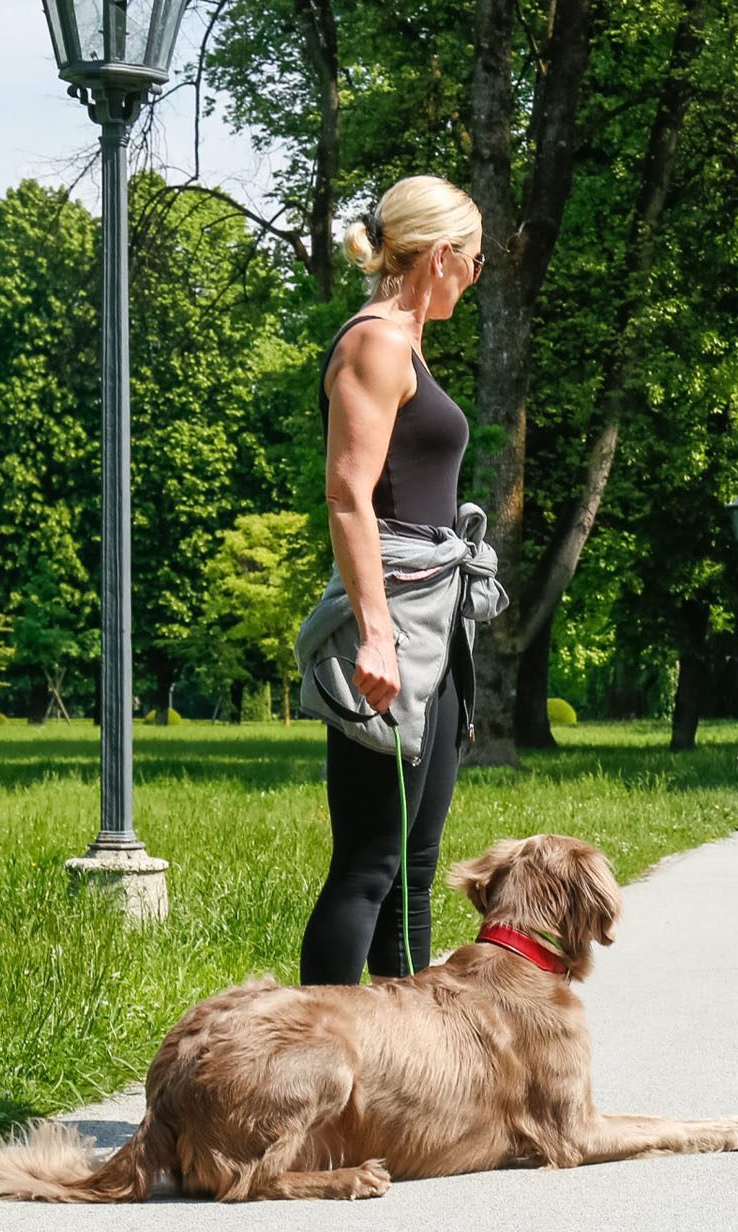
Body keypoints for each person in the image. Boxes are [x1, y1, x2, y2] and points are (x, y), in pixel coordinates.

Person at [299, 176, 488, 985]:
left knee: (413, 866)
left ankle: (404, 1075)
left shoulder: (406, 344)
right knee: (371, 864)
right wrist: (376, 634)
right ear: (439, 255)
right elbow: (348, 494)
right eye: (473, 261)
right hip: (397, 626)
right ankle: (315, 1068)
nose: (475, 279)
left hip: (433, 622)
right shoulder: (374, 343)